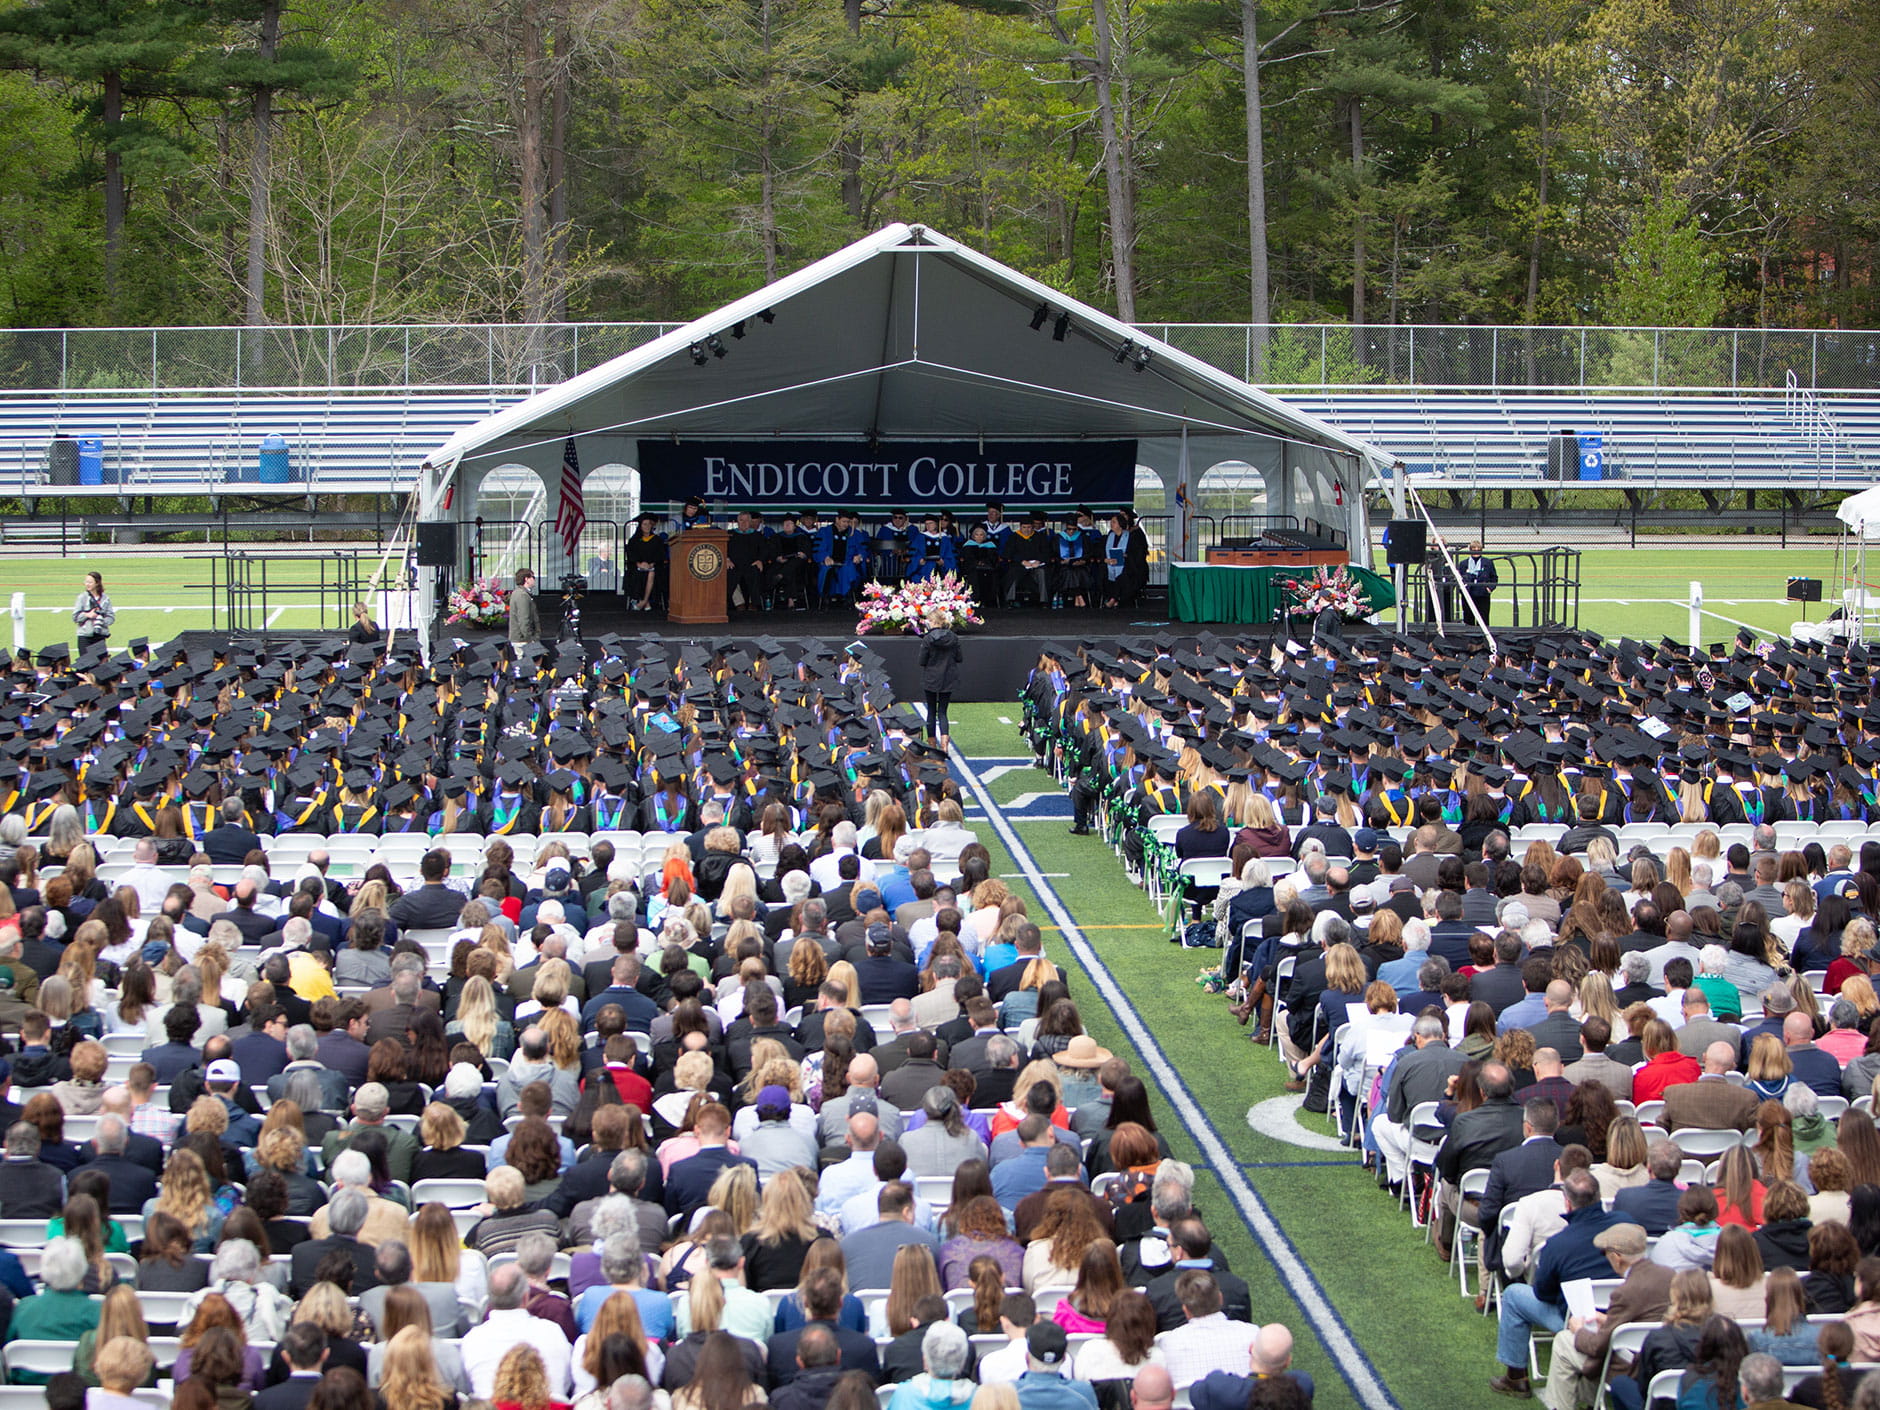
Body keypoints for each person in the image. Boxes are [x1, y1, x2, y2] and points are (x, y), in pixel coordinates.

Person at [918, 611, 963, 756]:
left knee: (931, 710)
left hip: (931, 677)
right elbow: (959, 657)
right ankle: (944, 743)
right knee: (943, 711)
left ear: (932, 622)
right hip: (948, 677)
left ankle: (932, 743)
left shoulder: (927, 639)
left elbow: (922, 661)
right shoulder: (953, 637)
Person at [1458, 542, 1496, 625]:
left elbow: (1494, 578)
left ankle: (1482, 636)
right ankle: (1469, 636)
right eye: (1473, 549)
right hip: (1468, 594)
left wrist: (1489, 588)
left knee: (1483, 617)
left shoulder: (1488, 562)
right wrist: (1462, 589)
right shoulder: (1463, 563)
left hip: (1482, 594)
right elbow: (1458, 578)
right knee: (1468, 617)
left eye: (1478, 550)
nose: (1476, 552)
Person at [73, 571, 114, 648]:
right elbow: (75, 617)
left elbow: (111, 617)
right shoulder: (82, 597)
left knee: (101, 659)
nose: (87, 584)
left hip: (100, 634)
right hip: (85, 635)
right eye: (86, 582)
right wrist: (87, 615)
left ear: (97, 583)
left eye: (90, 582)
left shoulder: (105, 599)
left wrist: (101, 620)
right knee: (85, 659)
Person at [510, 568, 542, 645]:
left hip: (522, 639)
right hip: (523, 640)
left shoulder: (519, 593)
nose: (534, 580)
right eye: (533, 577)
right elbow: (524, 619)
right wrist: (530, 639)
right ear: (526, 579)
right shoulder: (522, 595)